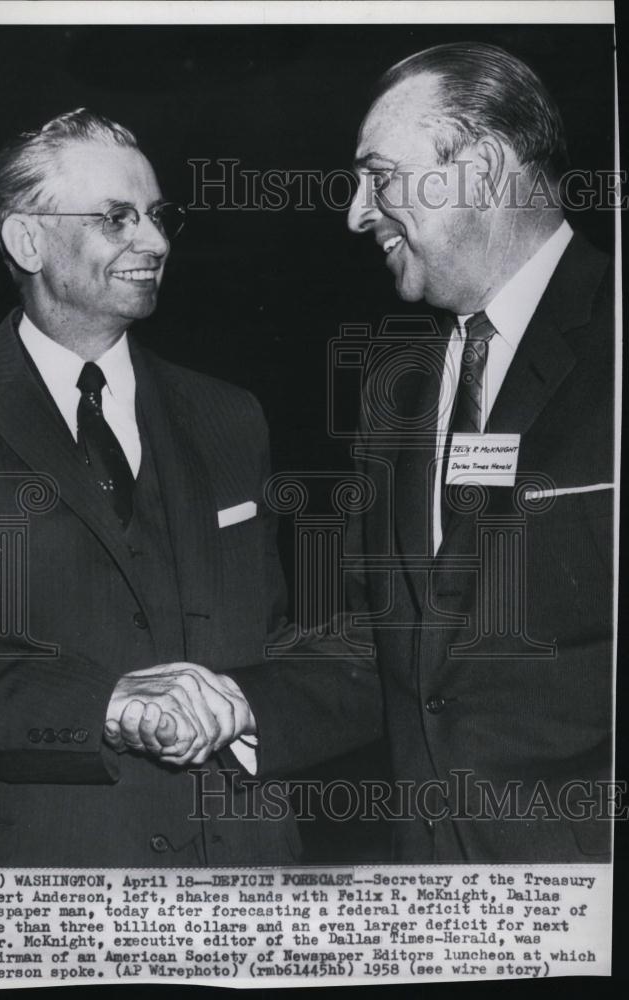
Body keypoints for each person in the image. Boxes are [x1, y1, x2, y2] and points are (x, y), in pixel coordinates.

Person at [118, 43, 615, 863]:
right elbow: (384, 641)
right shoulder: (399, 388)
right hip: (428, 892)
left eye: (378, 177)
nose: (355, 213)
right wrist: (234, 702)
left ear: (483, 169)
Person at [0, 109, 381, 867]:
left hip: (240, 868)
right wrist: (101, 704)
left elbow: (276, 636)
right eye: (117, 218)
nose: (156, 241)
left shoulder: (228, 416)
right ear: (27, 240)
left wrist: (246, 704)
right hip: (46, 877)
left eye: (157, 216)